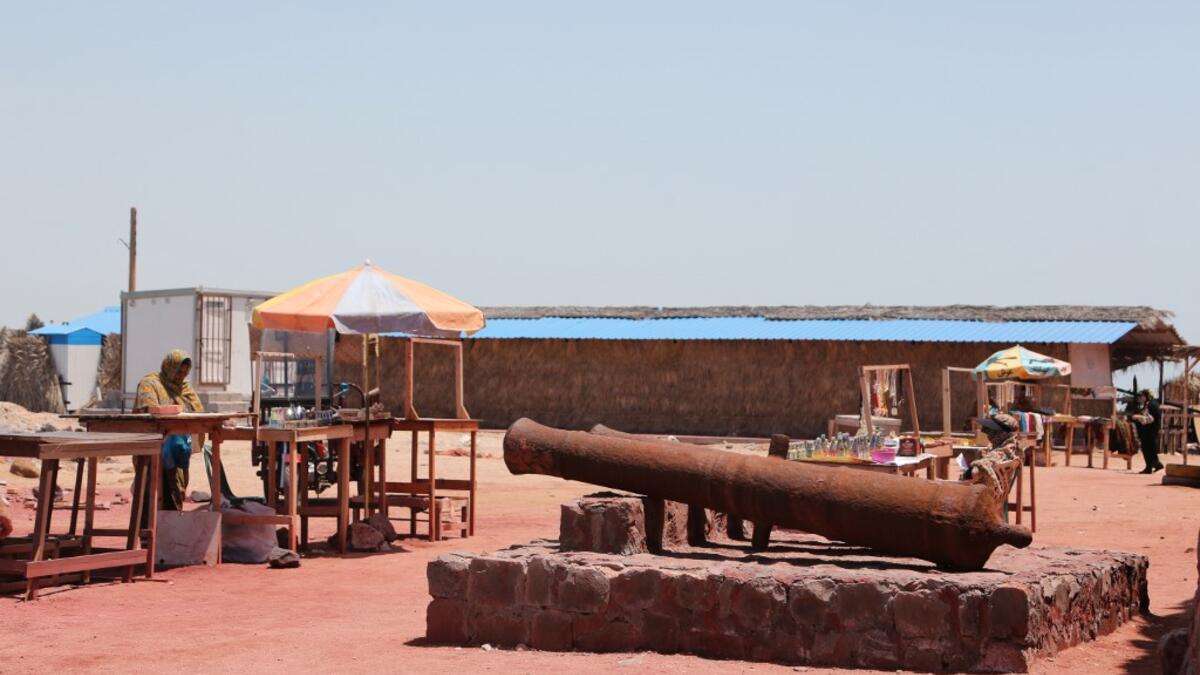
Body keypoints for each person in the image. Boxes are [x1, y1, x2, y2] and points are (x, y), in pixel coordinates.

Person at [134, 350, 204, 510]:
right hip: (152, 446)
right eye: (179, 371)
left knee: (176, 487)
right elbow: (148, 410)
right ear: (169, 367)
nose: (181, 376)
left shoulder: (185, 388)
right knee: (150, 488)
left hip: (179, 447)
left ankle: (171, 524)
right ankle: (147, 529)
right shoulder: (150, 384)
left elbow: (198, 411)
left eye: (185, 373)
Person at [962, 413, 1024, 510]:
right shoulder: (1011, 448)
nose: (986, 434)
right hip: (996, 496)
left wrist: (967, 473)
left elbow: (976, 472)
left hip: (983, 498)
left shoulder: (1002, 453)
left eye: (989, 431)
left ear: (1001, 434)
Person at [1132, 389, 1163, 474]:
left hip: (1150, 431)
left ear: (1146, 396)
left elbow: (1150, 419)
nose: (1140, 398)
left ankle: (1152, 466)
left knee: (1148, 448)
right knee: (1149, 448)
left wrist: (1138, 416)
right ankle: (1154, 465)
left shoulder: (1152, 405)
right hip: (1148, 431)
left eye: (1142, 396)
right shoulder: (1149, 404)